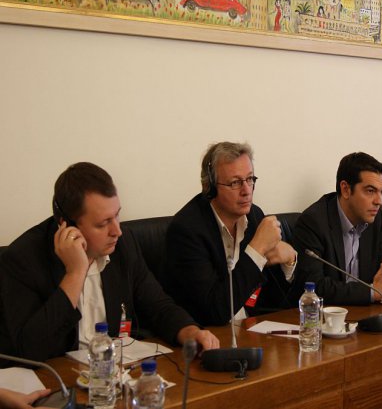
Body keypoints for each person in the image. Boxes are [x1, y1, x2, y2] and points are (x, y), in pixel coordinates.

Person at [0, 163, 219, 363]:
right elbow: (28, 349)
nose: (117, 231)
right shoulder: (23, 259)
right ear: (67, 226)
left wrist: (189, 331)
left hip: (114, 373)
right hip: (56, 380)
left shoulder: (123, 245)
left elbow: (157, 306)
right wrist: (75, 274)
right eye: (103, 223)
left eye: (117, 216)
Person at [165, 142, 297, 326]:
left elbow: (278, 302)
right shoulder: (186, 231)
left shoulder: (254, 216)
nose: (246, 191)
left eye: (249, 179)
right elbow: (215, 311)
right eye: (235, 182)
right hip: (210, 335)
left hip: (252, 330)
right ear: (210, 187)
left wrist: (289, 262)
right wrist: (256, 250)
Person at [293, 152, 382, 305]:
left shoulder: (375, 218)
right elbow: (314, 287)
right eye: (370, 191)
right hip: (324, 315)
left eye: (381, 192)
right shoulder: (313, 222)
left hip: (364, 312)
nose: (379, 201)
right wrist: (372, 292)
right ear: (345, 189)